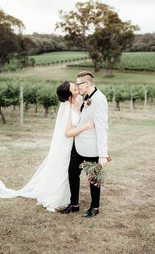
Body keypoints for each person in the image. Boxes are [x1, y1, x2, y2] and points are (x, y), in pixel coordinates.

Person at [0, 80, 95, 212]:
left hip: (77, 144)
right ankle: (56, 196)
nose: (78, 89)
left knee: (70, 171)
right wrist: (85, 127)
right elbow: (67, 133)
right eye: (74, 89)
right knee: (62, 169)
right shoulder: (66, 109)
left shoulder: (79, 99)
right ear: (69, 96)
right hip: (66, 144)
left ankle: (71, 196)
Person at [58, 71, 109, 218]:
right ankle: (74, 205)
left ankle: (95, 207)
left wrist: (103, 155)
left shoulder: (99, 100)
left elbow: (102, 128)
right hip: (78, 145)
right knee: (72, 173)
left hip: (92, 148)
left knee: (94, 178)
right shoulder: (86, 98)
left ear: (86, 84)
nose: (77, 87)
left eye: (78, 84)